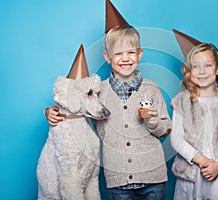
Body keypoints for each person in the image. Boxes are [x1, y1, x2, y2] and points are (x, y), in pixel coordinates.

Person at [45, 1, 171, 199]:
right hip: (117, 178)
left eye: (131, 52)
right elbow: (74, 109)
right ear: (107, 57)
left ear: (140, 54)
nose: (125, 58)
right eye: (118, 54)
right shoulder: (97, 91)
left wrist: (155, 123)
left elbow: (167, 128)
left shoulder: (152, 89)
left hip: (153, 176)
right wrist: (50, 111)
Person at [170, 29, 218, 200]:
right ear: (189, 71)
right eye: (196, 66)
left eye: (207, 65)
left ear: (217, 69)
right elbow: (176, 138)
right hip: (192, 171)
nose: (202, 71)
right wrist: (201, 160)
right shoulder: (182, 101)